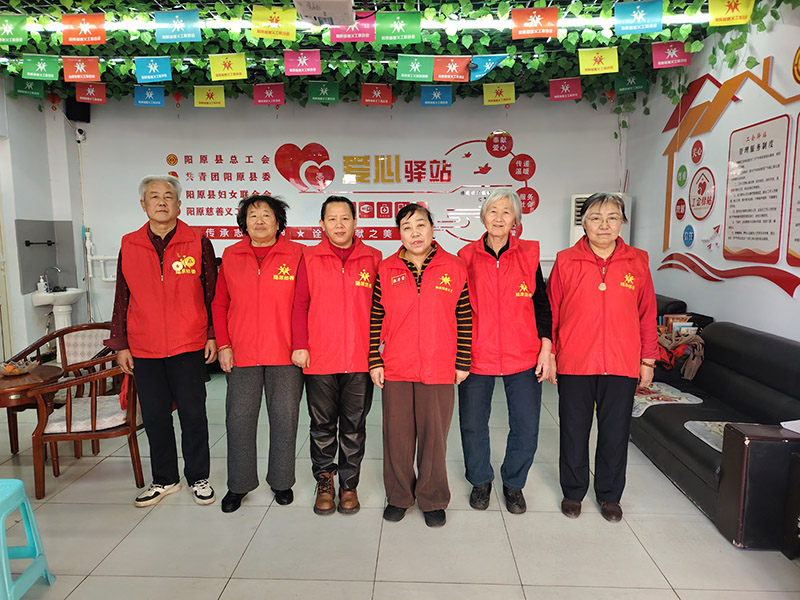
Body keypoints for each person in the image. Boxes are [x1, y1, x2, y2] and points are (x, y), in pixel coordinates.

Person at [106, 174, 217, 507]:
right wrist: (121, 343)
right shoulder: (130, 244)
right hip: (145, 346)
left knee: (193, 415)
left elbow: (211, 293)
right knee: (155, 417)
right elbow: (122, 296)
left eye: (168, 196)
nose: (162, 202)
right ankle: (165, 479)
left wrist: (212, 335)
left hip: (189, 343)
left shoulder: (197, 241)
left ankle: (198, 476)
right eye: (154, 197)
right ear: (144, 205)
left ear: (179, 204)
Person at [547, 192, 658, 523]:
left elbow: (647, 313)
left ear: (622, 222)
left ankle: (610, 495)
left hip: (622, 362)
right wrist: (550, 355)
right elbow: (552, 312)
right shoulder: (566, 260)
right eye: (596, 218)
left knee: (615, 432)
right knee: (573, 430)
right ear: (584, 223)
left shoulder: (638, 261)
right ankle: (573, 491)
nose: (604, 225)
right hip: (576, 361)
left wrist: (648, 360)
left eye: (612, 218)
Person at [369, 203, 472, 528]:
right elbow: (375, 316)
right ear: (399, 234)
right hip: (397, 364)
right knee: (397, 436)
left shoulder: (454, 267)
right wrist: (374, 358)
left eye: (421, 225)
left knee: (434, 437)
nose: (415, 233)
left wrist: (463, 360)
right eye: (407, 227)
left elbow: (464, 315)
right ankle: (399, 496)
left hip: (439, 364)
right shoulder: (386, 269)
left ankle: (432, 497)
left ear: (432, 229)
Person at [457, 189, 555, 514]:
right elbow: (456, 308)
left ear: (515, 220)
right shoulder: (465, 257)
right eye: (493, 211)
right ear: (483, 217)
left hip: (523, 354)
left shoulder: (528, 255)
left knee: (526, 425)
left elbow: (541, 304)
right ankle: (480, 481)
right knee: (473, 425)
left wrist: (546, 348)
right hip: (477, 354)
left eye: (506, 212)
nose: (499, 218)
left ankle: (514, 483)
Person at [212, 195, 304, 513]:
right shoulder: (232, 254)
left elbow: (305, 303)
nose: (260, 220)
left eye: (267, 215)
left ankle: (282, 481)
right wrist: (224, 345)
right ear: (244, 223)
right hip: (242, 353)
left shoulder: (297, 254)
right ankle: (238, 485)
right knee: (239, 419)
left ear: (279, 223)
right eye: (253, 216)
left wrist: (302, 345)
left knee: (285, 419)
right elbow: (220, 303)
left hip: (285, 353)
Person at [291, 196, 382, 516]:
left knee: (354, 426)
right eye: (332, 219)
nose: (339, 225)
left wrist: (379, 350)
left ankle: (349, 485)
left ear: (355, 222)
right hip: (320, 358)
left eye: (345, 218)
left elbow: (382, 307)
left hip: (360, 358)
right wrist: (300, 344)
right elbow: (299, 304)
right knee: (322, 425)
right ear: (322, 224)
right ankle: (324, 481)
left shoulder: (373, 257)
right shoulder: (309, 257)